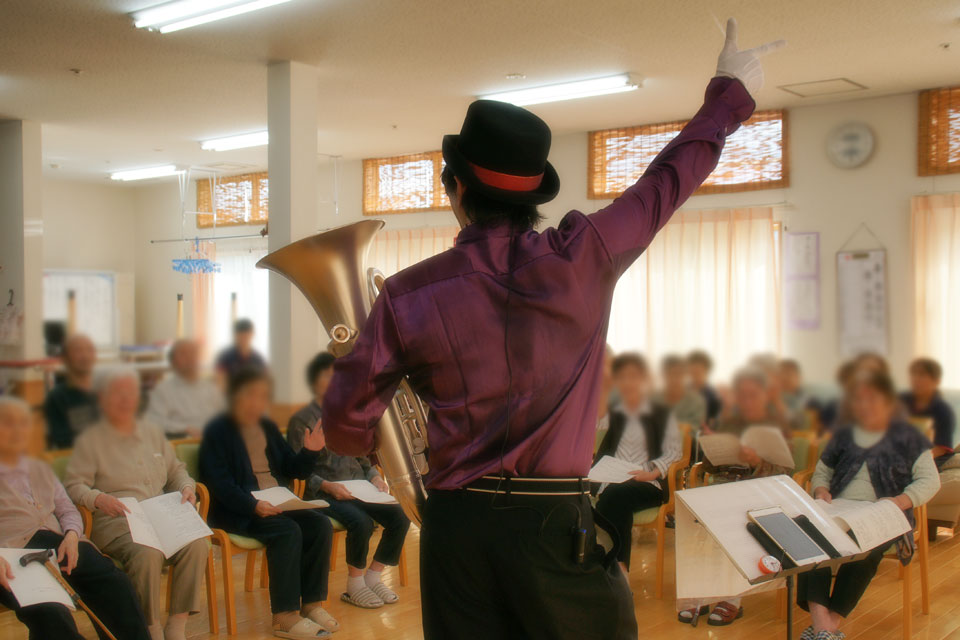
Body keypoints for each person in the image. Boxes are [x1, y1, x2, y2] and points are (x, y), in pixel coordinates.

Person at [320, 19, 784, 640]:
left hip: (456, 530)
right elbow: (665, 182)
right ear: (534, 194)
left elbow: (346, 429)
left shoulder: (406, 293)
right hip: (555, 523)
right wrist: (728, 93)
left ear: (455, 187)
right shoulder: (585, 253)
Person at [63, 367, 207, 640]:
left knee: (197, 544)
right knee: (147, 553)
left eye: (131, 393)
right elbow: (74, 485)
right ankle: (149, 627)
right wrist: (98, 499)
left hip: (161, 517)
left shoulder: (153, 433)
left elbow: (177, 471)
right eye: (118, 393)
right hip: (118, 521)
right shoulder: (91, 440)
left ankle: (177, 625)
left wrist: (186, 487)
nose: (126, 399)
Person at [798, 370, 940, 640]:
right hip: (838, 508)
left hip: (884, 512)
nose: (864, 405)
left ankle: (827, 624)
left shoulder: (910, 439)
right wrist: (821, 489)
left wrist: (899, 501)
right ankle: (823, 624)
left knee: (865, 546)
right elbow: (822, 470)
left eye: (872, 399)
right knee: (809, 537)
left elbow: (930, 481)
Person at [199, 367, 337, 639]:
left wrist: (310, 451)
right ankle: (284, 616)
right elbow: (219, 484)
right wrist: (252, 506)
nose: (257, 402)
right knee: (287, 531)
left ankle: (312, 605)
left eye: (263, 396)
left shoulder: (267, 427)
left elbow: (292, 469)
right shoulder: (217, 431)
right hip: (237, 510)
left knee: (320, 525)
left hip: (275, 502)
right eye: (251, 395)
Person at [0, 396, 151, 640]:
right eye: (8, 423)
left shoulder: (39, 467)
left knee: (115, 584)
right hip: (11, 556)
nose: (17, 430)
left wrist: (72, 535)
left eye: (23, 423)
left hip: (59, 545)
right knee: (51, 610)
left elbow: (67, 510)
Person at [288, 352, 411, 609]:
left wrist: (375, 477)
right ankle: (354, 585)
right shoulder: (302, 419)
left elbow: (362, 458)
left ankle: (373, 577)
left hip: (360, 489)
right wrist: (328, 486)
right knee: (361, 522)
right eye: (327, 376)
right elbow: (298, 470)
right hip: (324, 492)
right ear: (314, 381)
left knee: (401, 516)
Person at [682, 365, 795, 626]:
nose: (746, 401)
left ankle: (731, 598)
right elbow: (709, 468)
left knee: (732, 521)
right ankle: (703, 591)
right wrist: (714, 449)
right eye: (741, 395)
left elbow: (786, 470)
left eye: (752, 395)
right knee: (697, 520)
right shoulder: (729, 423)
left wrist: (756, 461)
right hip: (724, 486)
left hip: (760, 492)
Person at [595, 353, 682, 574]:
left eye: (633, 377)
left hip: (647, 482)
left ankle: (616, 569)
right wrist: (604, 388)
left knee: (612, 499)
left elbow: (675, 452)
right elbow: (594, 424)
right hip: (611, 480)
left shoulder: (661, 412)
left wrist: (651, 472)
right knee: (612, 498)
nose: (628, 383)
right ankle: (616, 571)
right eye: (622, 377)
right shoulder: (615, 411)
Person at [146, 339, 224, 439]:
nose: (190, 358)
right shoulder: (163, 391)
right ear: (173, 361)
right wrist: (184, 429)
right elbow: (153, 421)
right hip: (182, 441)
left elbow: (225, 416)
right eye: (184, 354)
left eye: (193, 353)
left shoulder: (211, 389)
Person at [44, 333, 99, 449]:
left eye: (90, 350)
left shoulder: (108, 390)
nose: (85, 356)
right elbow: (63, 440)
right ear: (65, 358)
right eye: (78, 350)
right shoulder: (57, 397)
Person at [901, 357, 955, 468]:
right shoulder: (901, 401)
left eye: (922, 375)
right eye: (913, 374)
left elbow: (942, 448)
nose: (916, 379)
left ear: (936, 381)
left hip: (932, 456)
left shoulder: (942, 410)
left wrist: (917, 460)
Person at [654, 354, 707, 428]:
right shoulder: (654, 400)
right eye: (670, 374)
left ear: (685, 375)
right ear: (663, 375)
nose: (674, 379)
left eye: (678, 374)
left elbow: (694, 429)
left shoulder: (696, 401)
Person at [215, 318, 267, 383]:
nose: (243, 339)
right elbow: (220, 380)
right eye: (240, 336)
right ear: (235, 335)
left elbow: (263, 380)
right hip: (231, 389)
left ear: (252, 335)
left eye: (246, 336)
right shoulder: (225, 356)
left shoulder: (258, 359)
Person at [688, 350, 721, 421]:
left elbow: (713, 421)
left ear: (707, 371)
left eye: (698, 372)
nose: (695, 376)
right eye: (692, 372)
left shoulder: (713, 397)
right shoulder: (682, 392)